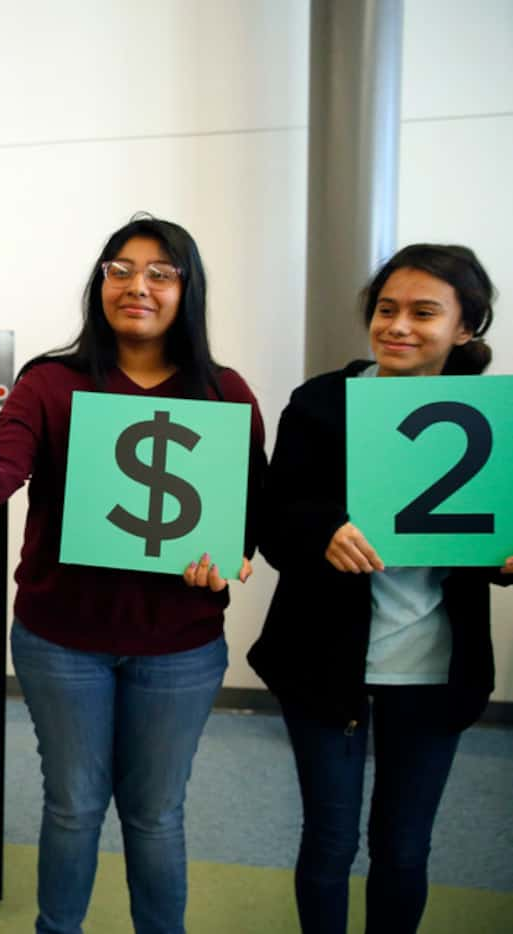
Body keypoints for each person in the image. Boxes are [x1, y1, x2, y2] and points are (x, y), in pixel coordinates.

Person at [0, 215, 267, 934]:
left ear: (187, 290)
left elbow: (247, 516)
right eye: (118, 269)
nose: (135, 286)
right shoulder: (50, 382)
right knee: (73, 806)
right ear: (98, 283)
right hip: (60, 641)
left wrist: (231, 556)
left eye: (158, 273)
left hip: (179, 645)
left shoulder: (226, 394)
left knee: (154, 815)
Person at [249, 243, 511, 934]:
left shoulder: (487, 417)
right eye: (385, 310)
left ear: (464, 328)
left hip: (435, 669)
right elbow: (272, 520)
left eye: (423, 313)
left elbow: (490, 544)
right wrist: (321, 530)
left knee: (403, 848)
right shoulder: (319, 403)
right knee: (329, 842)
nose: (396, 326)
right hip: (323, 663)